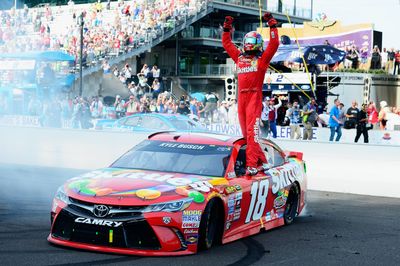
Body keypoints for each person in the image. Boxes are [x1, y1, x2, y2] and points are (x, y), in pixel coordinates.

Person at [222, 12, 279, 175]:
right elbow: (226, 44)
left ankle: (252, 165)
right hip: (241, 99)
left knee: (251, 134)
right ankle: (263, 161)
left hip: (254, 99)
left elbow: (274, 43)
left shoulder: (263, 59)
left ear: (259, 44)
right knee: (247, 136)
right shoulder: (239, 58)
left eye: (253, 41)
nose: (250, 44)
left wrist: (272, 24)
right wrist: (227, 27)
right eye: (248, 41)